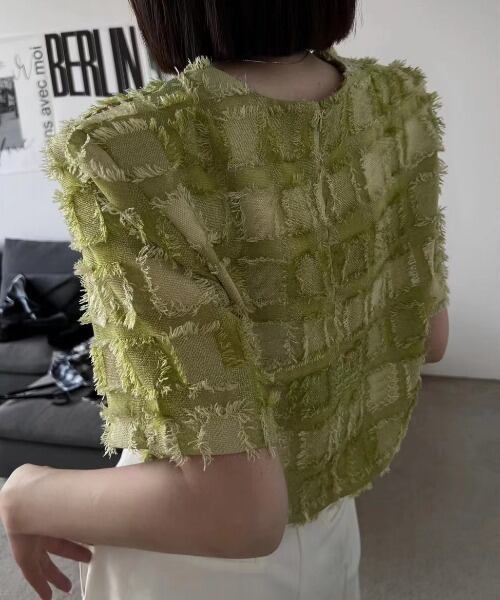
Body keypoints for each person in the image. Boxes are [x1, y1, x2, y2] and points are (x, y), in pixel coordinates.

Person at [0, 1, 450, 599]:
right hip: (331, 523)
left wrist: (26, 493)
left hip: (191, 560)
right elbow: (427, 335)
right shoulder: (396, 102)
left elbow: (237, 511)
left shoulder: (127, 145)